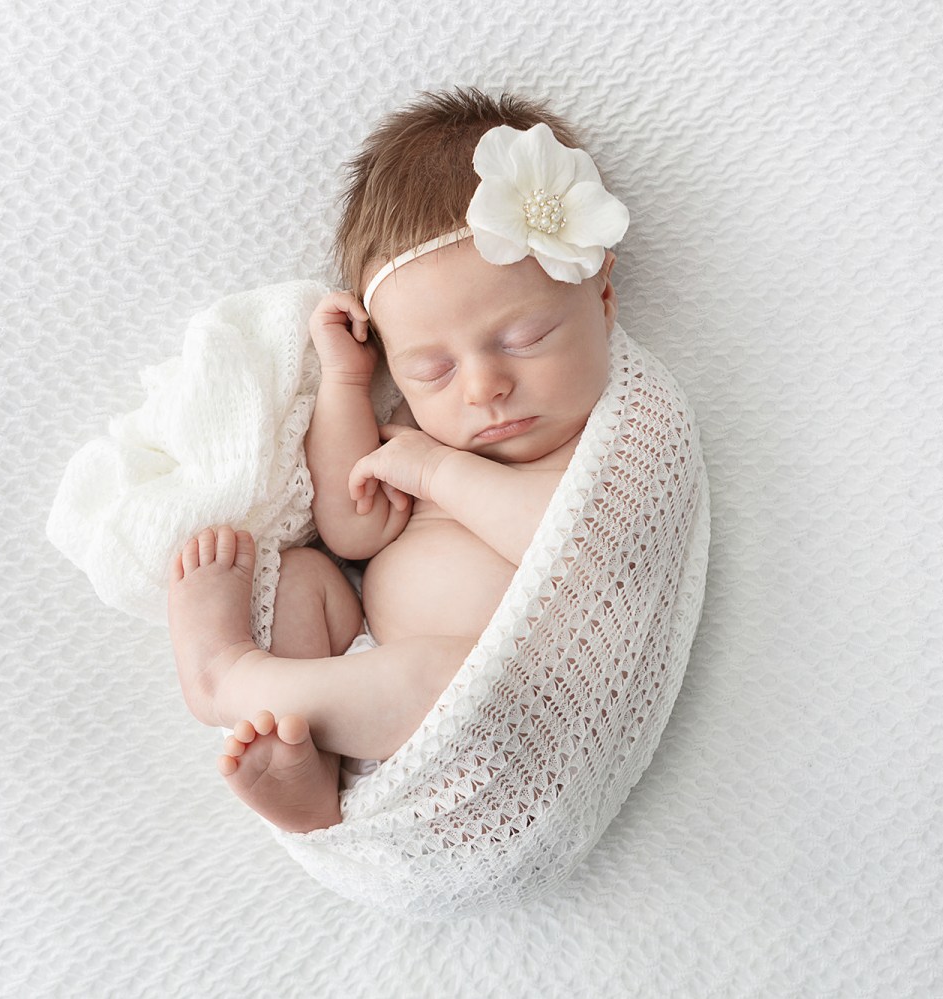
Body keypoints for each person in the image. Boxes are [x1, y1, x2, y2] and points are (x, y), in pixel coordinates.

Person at [166, 87, 630, 833]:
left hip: (494, 713)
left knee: (453, 677)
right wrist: (348, 382)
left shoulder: (608, 444)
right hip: (366, 662)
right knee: (307, 574)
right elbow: (352, 530)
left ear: (603, 296)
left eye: (523, 338)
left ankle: (230, 676)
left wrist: (439, 473)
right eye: (433, 370)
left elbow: (582, 554)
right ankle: (309, 776)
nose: (484, 388)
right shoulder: (420, 430)